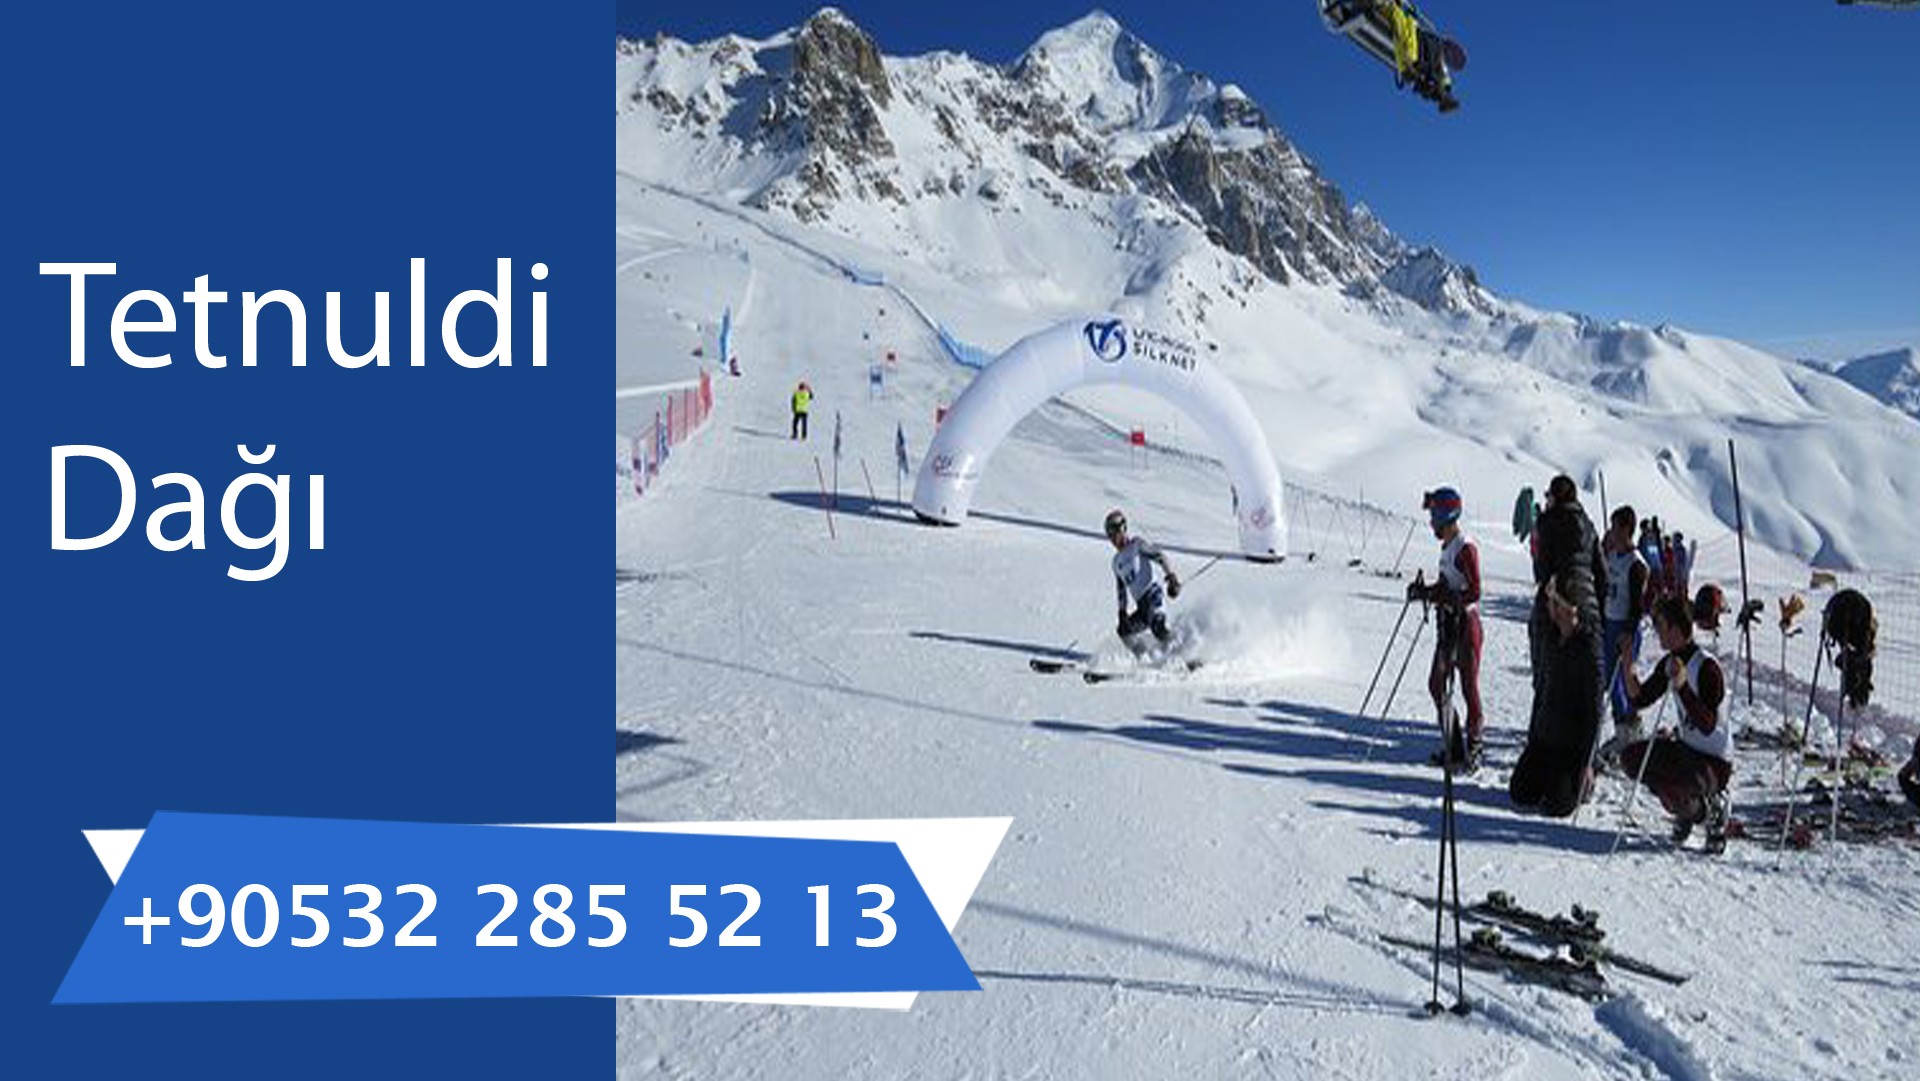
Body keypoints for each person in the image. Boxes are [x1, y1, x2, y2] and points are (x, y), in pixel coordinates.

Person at [1511, 474, 1607, 818]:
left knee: (1548, 682)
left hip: (1555, 607)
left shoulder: (1547, 522)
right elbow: (1602, 573)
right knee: (1584, 687)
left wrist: (1554, 600)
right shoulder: (1589, 525)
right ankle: (1578, 758)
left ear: (1554, 497)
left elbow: (1542, 571)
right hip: (1588, 612)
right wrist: (1595, 609)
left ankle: (1560, 760)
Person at [1620, 595, 1734, 852]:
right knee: (1631, 759)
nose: (1658, 633)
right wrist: (1627, 664)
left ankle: (1710, 812)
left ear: (1675, 629)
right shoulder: (1671, 661)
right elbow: (1640, 698)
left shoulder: (1706, 667)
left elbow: (1708, 725)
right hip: (1687, 749)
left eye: (1661, 626)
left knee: (1673, 790)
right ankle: (1686, 808)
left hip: (1714, 761)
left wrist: (1682, 687)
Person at [1407, 487, 1484, 771]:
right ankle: (1454, 745)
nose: (1431, 522)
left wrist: (1448, 597)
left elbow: (1475, 591)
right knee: (1437, 684)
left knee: (1467, 686)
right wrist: (1425, 592)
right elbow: (1445, 586)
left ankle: (1474, 746)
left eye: (1433, 516)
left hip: (1466, 625)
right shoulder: (1447, 547)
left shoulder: (1465, 547)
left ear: (1446, 516)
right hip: (1448, 623)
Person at [1599, 505, 1650, 745]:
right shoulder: (1612, 556)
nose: (1612, 532)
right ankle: (1623, 725)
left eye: (1616, 527)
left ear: (1626, 530)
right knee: (1609, 679)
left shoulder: (1635, 564)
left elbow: (1638, 605)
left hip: (1624, 628)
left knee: (1622, 680)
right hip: (1609, 623)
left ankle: (1629, 725)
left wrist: (1629, 631)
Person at [1106, 509, 1181, 654]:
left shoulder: (1136, 545)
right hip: (1142, 606)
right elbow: (1121, 590)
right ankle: (1146, 658)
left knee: (1158, 628)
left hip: (1153, 595)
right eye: (1110, 535)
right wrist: (1122, 612)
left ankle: (1185, 653)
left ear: (1123, 529)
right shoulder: (1116, 562)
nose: (1113, 539)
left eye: (1114, 533)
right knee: (1124, 632)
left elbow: (1160, 556)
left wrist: (1171, 577)